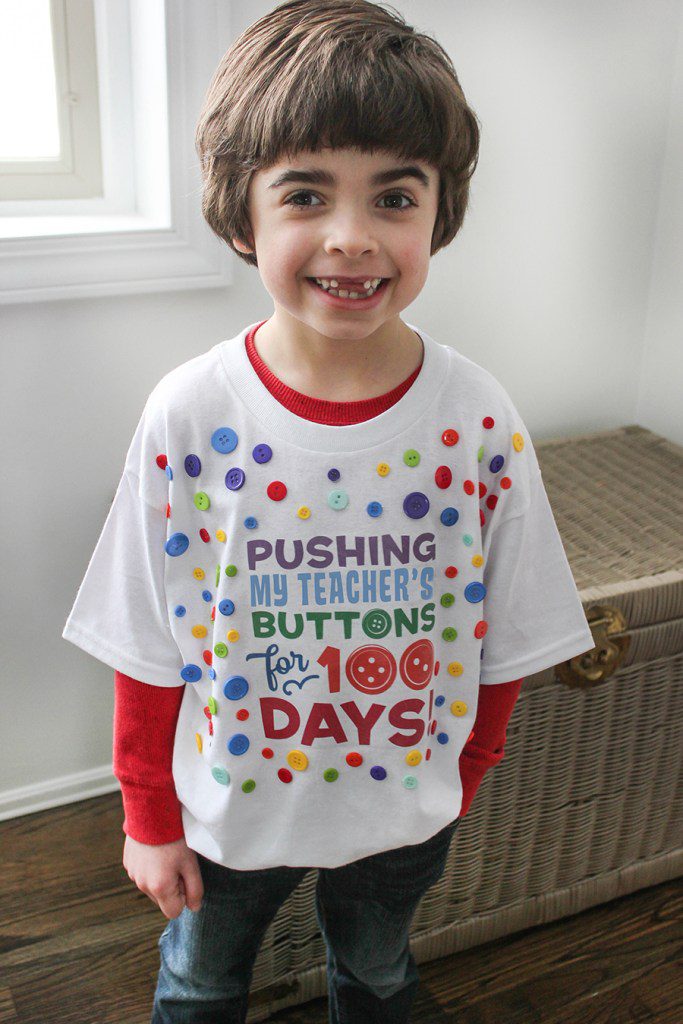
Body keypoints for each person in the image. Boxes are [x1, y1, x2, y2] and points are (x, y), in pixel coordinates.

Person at [62, 1, 595, 1021]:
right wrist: (147, 813)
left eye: (393, 195)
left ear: (437, 213)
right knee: (199, 981)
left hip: (403, 820)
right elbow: (144, 636)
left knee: (377, 974)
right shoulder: (190, 412)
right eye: (305, 192)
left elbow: (508, 638)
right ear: (239, 215)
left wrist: (463, 775)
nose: (351, 237)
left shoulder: (476, 416)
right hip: (225, 819)